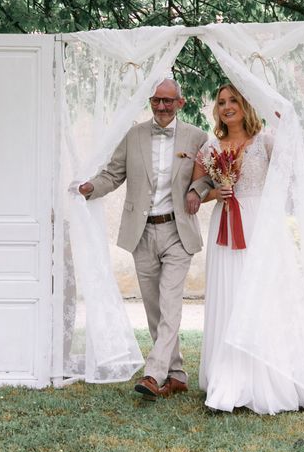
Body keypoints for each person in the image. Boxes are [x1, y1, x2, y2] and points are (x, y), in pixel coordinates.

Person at [78, 78, 209, 400]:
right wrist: (89, 189)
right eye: (156, 101)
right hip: (141, 231)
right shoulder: (134, 136)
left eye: (168, 101)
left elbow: (207, 175)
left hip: (178, 232)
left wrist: (196, 190)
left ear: (181, 102)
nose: (161, 107)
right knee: (154, 308)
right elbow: (113, 174)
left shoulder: (197, 137)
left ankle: (153, 374)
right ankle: (176, 374)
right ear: (150, 102)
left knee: (170, 303)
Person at [191, 83, 304, 414]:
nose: (227, 106)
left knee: (262, 297)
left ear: (246, 105)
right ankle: (228, 376)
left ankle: (268, 375)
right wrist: (214, 194)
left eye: (233, 100)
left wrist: (285, 125)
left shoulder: (266, 141)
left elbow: (290, 170)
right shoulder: (210, 147)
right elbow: (198, 189)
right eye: (220, 102)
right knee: (229, 297)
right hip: (226, 229)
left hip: (261, 228)